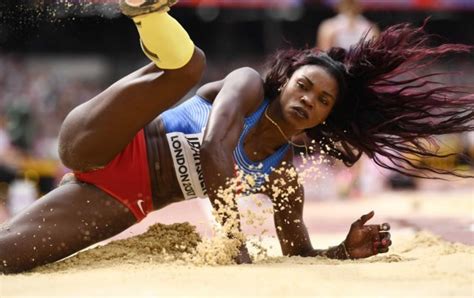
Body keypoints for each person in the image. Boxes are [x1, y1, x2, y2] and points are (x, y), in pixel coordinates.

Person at [1, 0, 473, 274]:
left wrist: (342, 252)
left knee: (9, 258)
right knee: (189, 65)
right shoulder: (247, 87)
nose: (308, 99)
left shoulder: (285, 178)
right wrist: (236, 246)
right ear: (285, 81)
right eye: (304, 85)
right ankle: (148, 12)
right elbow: (212, 149)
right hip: (109, 138)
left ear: (325, 118)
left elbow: (299, 254)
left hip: (122, 197)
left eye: (322, 100)